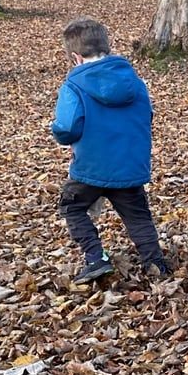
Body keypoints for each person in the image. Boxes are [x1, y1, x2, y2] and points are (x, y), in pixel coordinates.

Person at [51, 17, 170, 283]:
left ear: (75, 57)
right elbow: (146, 116)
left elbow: (67, 127)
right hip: (129, 164)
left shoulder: (74, 85)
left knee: (72, 207)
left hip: (90, 166)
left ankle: (95, 258)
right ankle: (155, 264)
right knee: (138, 216)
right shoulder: (134, 82)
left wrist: (58, 132)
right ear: (108, 46)